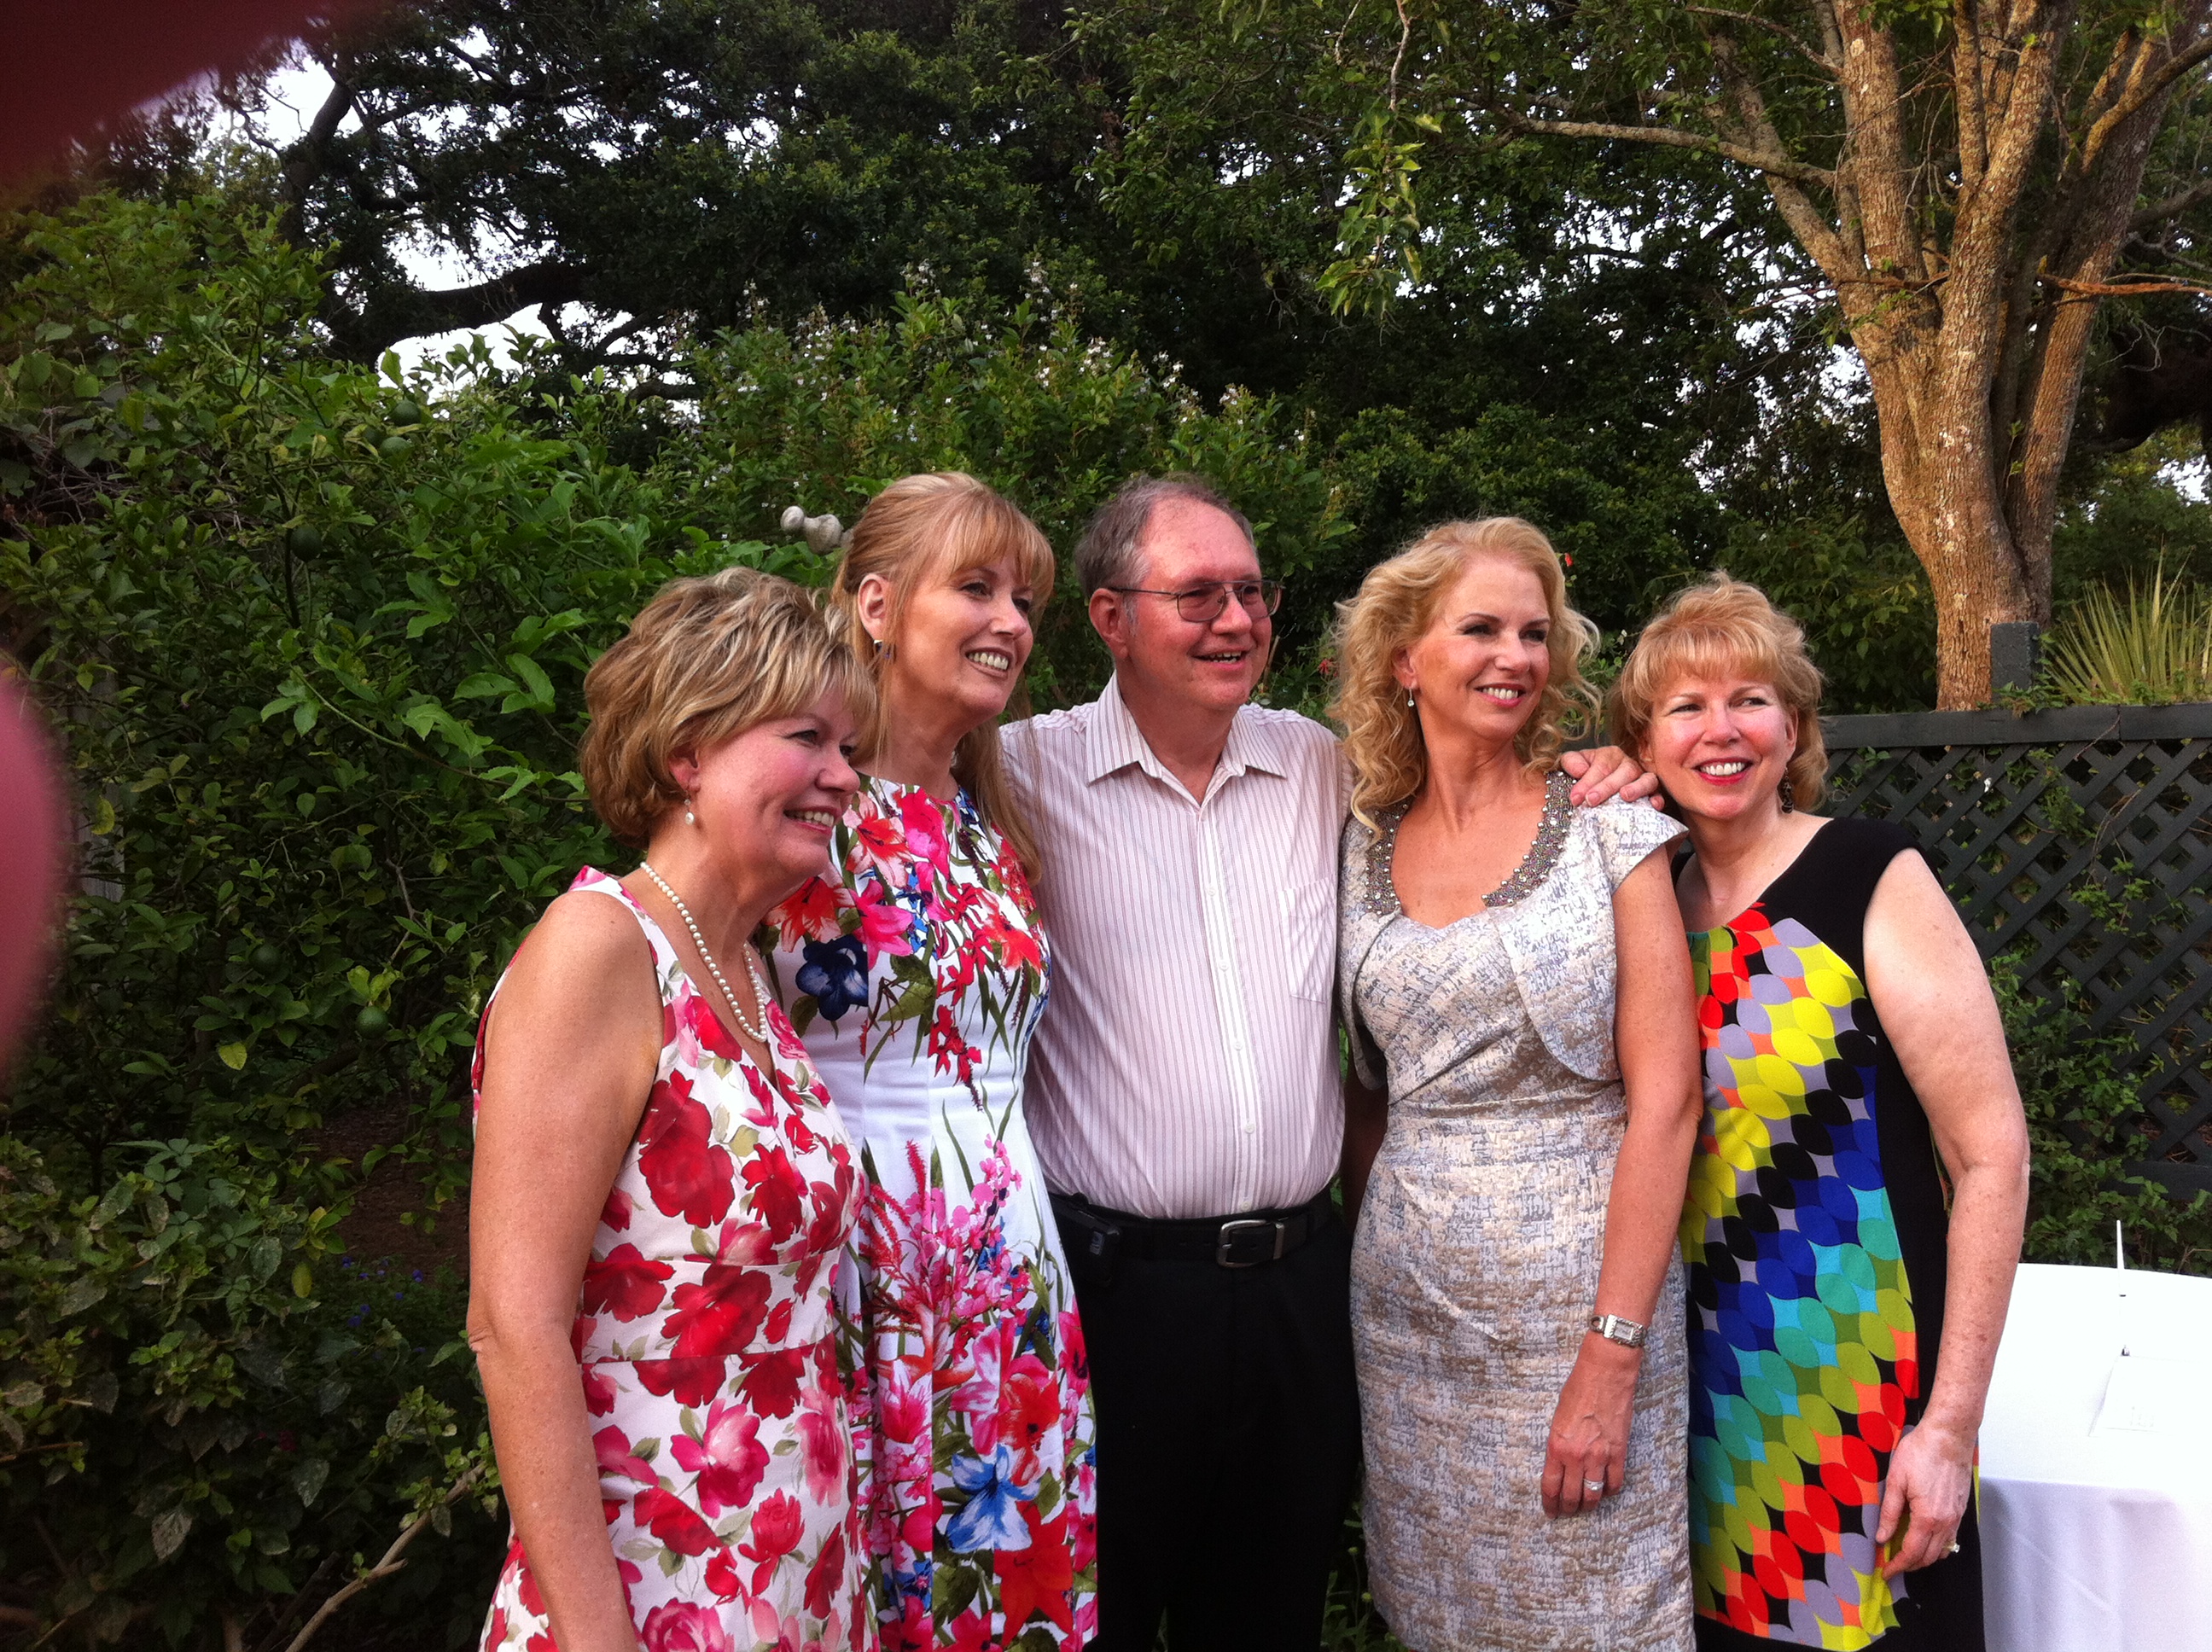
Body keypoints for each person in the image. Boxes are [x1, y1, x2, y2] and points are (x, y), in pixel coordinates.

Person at [1002, 478, 1656, 1651]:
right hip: (1117, 1299)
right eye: (1198, 594)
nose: (1236, 618)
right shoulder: (1018, 778)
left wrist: (1598, 766)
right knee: (1095, 1619)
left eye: (1253, 592)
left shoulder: (1325, 775)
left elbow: (1477, 773)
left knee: (1269, 1619)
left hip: (1302, 1294)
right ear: (1110, 618)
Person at [1610, 574, 2029, 1652]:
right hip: (1682, 1391)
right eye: (1686, 707)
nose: (1721, 730)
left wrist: (1951, 1426)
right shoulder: (1638, 897)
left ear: (1792, 730)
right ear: (1644, 744)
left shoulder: (1866, 872)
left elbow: (1990, 1154)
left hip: (1857, 1390)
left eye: (1751, 700)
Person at [469, 567, 878, 1652]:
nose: (845, 777)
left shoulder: (744, 969)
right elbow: (513, 1327)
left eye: (850, 748)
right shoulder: (599, 948)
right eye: (808, 738)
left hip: (797, 1569)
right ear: (688, 752)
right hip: (656, 1587)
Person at [1331, 516, 1703, 1652]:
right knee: (1438, 1611)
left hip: (1579, 1313)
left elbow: (1668, 1102)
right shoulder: (1352, 838)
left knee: (1599, 1606)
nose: (1516, 656)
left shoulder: (1609, 827)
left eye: (1535, 634)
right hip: (1408, 1325)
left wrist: (1612, 1351)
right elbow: (1363, 1095)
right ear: (1405, 657)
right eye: (1482, 629)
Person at [760, 473, 1097, 1649]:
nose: (1010, 622)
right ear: (878, 605)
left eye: (1026, 601)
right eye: (977, 589)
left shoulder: (997, 824)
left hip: (1012, 1284)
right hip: (860, 1280)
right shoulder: (806, 809)